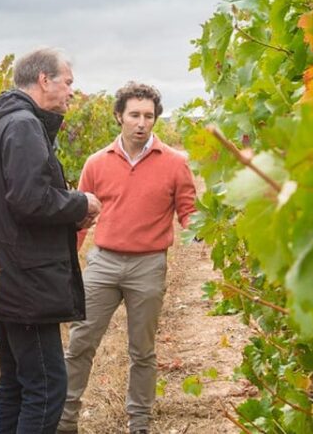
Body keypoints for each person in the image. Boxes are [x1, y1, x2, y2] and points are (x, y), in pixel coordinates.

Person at [0, 47, 101, 433]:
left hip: (7, 276)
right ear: (44, 80)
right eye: (68, 82)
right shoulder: (24, 125)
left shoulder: (1, 124)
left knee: (16, 382)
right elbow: (31, 200)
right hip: (28, 280)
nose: (72, 92)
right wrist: (80, 203)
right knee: (46, 387)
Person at [57, 82, 197, 434]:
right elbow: (78, 220)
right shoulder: (96, 163)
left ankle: (140, 424)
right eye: (134, 115)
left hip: (148, 265)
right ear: (119, 116)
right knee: (80, 343)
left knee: (143, 351)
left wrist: (207, 229)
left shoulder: (176, 164)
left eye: (148, 116)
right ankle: (64, 421)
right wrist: (66, 263)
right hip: (102, 263)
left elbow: (189, 213)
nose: (141, 122)